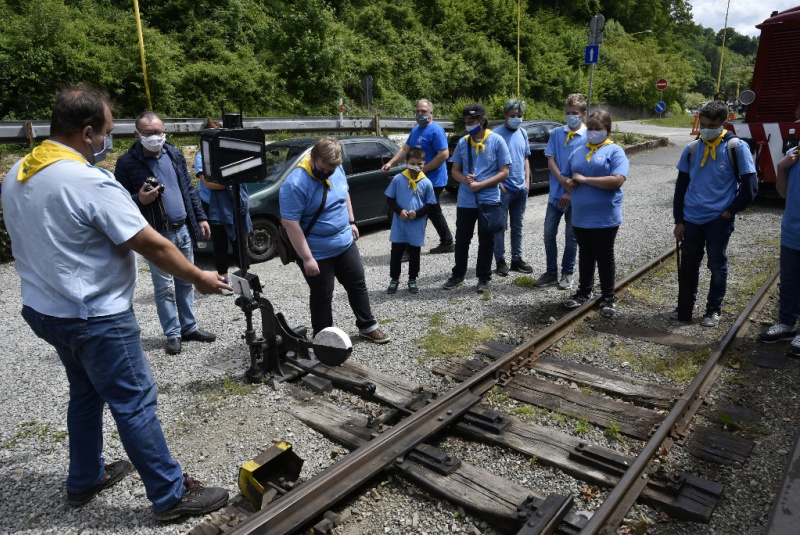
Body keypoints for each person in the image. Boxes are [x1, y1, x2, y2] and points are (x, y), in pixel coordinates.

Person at [2, 86, 230, 520]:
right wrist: (199, 276)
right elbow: (150, 244)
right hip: (95, 316)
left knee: (85, 395)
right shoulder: (88, 181)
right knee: (135, 401)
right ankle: (170, 495)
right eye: (106, 131)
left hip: (45, 311)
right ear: (87, 133)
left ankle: (85, 479)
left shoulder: (19, 174)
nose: (108, 140)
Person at [115, 111, 217, 355]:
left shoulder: (173, 153)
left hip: (182, 228)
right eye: (148, 133)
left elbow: (188, 190)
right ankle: (172, 333)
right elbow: (117, 201)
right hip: (156, 234)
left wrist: (200, 217)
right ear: (137, 134)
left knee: (187, 280)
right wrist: (138, 198)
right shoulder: (127, 163)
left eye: (158, 132)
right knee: (164, 287)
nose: (155, 137)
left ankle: (190, 327)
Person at [280, 136, 390, 343]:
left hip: (345, 244)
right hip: (316, 251)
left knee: (357, 284)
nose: (327, 173)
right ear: (312, 158)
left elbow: (344, 194)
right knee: (323, 295)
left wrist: (351, 222)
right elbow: (290, 224)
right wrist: (307, 258)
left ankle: (367, 326)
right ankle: (324, 338)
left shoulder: (335, 169)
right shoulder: (295, 184)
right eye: (323, 169)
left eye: (331, 170)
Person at [672, 100, 757, 326]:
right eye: (704, 124)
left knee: (717, 265)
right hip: (692, 218)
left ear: (723, 123)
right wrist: (679, 219)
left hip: (719, 219)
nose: (706, 128)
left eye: (711, 124)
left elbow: (750, 188)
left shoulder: (736, 148)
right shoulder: (692, 148)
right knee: (689, 263)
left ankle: (713, 309)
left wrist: (729, 213)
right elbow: (681, 187)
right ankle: (684, 307)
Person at [561, 110, 629, 318]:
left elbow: (617, 180)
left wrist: (585, 180)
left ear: (607, 130)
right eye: (590, 129)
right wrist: (570, 182)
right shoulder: (579, 151)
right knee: (586, 253)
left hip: (605, 215)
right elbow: (565, 175)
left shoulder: (615, 151)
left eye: (597, 129)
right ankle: (584, 291)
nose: (592, 133)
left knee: (604, 255)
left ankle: (609, 296)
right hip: (581, 214)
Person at [445, 103, 511, 292]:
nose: (468, 124)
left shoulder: (497, 141)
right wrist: (465, 180)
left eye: (471, 121)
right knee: (462, 239)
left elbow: (504, 172)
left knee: (486, 240)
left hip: (489, 199)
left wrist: (481, 184)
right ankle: (458, 275)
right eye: (465, 121)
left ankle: (484, 277)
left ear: (482, 120)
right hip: (466, 200)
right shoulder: (463, 142)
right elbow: (455, 171)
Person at [381, 99, 454, 253]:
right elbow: (405, 149)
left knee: (420, 211)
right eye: (418, 111)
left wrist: (424, 170)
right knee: (433, 210)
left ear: (431, 113)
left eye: (423, 111)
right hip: (420, 179)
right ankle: (447, 242)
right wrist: (391, 163)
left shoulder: (436, 130)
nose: (420, 114)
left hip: (433, 180)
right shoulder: (416, 130)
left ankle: (410, 249)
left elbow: (443, 154)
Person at [536, 93, 586, 290]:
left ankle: (567, 272)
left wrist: (570, 190)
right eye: (568, 113)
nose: (570, 116)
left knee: (571, 237)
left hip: (575, 196)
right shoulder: (557, 133)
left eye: (574, 113)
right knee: (549, 234)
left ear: (583, 114)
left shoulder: (588, 136)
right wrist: (563, 181)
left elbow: (584, 167)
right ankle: (550, 272)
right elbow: (551, 160)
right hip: (555, 195)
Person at [194, 119, 253, 286]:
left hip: (233, 200)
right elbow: (208, 183)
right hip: (213, 204)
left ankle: (246, 276)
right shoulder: (201, 156)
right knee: (219, 242)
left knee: (239, 240)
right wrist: (231, 183)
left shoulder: (228, 152)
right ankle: (224, 279)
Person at [759, 147, 800, 355]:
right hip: (792, 233)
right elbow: (784, 193)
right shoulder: (794, 154)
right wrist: (781, 168)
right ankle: (787, 325)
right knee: (789, 282)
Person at [385, 147, 437, 294]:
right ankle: (394, 278)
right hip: (400, 224)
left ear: (423, 163)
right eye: (412, 163)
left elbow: (431, 204)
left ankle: (412, 278)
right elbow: (390, 198)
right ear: (406, 162)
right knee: (396, 253)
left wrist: (419, 213)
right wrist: (399, 211)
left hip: (416, 224)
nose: (416, 166)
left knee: (414, 253)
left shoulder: (426, 183)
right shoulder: (398, 179)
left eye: (419, 163)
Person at [492, 98, 533, 277]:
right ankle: (500, 261)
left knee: (518, 226)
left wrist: (527, 183)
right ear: (505, 115)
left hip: (520, 189)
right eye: (512, 115)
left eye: (519, 115)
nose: (516, 118)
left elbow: (525, 158)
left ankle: (517, 259)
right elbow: (491, 162)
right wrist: (499, 183)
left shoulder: (523, 133)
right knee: (499, 227)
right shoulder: (495, 135)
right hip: (503, 190)